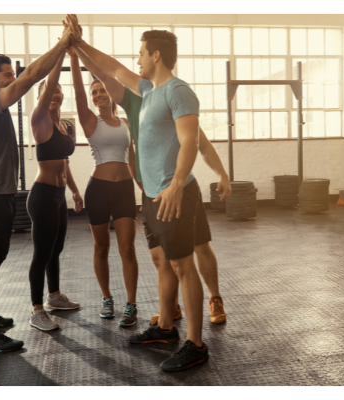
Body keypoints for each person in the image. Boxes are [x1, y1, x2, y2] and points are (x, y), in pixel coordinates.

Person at [67, 16, 210, 371]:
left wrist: (177, 182)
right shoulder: (148, 91)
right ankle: (164, 327)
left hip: (173, 193)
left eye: (142, 54)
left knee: (181, 265)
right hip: (151, 194)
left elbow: (190, 140)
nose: (137, 60)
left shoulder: (178, 91)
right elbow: (111, 68)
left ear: (157, 55)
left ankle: (195, 342)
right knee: (162, 261)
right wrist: (78, 43)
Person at [0, 15, 80, 352]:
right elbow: (32, 78)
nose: (13, 80)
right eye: (6, 75)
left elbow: (30, 78)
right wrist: (61, 45)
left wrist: (62, 53)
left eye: (12, 75)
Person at [68, 46, 140, 327]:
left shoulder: (125, 122)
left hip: (123, 191)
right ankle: (107, 298)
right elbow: (77, 90)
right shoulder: (89, 121)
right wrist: (74, 57)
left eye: (101, 90)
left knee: (128, 249)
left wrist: (142, 187)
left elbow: (132, 158)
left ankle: (131, 304)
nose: (98, 95)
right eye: (93, 92)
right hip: (97, 190)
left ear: (111, 92)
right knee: (101, 248)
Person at [26, 50, 84, 332]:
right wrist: (62, 51)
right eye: (51, 90)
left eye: (60, 90)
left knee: (56, 249)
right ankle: (37, 310)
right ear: (42, 97)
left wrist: (74, 191)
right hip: (42, 196)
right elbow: (48, 85)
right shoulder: (40, 121)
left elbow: (65, 162)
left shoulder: (64, 125)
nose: (56, 92)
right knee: (42, 252)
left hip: (59, 196)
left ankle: (54, 297)